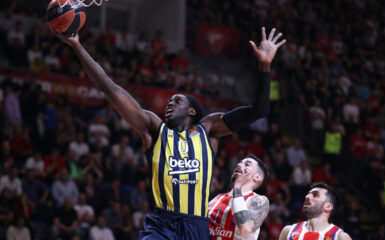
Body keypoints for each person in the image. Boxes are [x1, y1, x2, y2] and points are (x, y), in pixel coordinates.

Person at [52, 26, 285, 239]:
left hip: (196, 225)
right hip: (162, 223)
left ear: (192, 110)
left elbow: (258, 110)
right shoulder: (154, 128)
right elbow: (109, 88)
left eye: (177, 100)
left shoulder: (209, 130)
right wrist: (77, 46)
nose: (169, 104)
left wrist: (264, 66)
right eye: (168, 102)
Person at [208, 154, 270, 240]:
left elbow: (245, 228)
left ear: (257, 177)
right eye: (240, 163)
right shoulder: (217, 198)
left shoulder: (259, 200)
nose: (239, 165)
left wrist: (237, 186)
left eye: (247, 164)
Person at [278, 182, 351, 240]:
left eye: (315, 195)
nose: (307, 197)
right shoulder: (288, 231)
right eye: (308, 194)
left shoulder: (340, 237)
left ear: (328, 206)